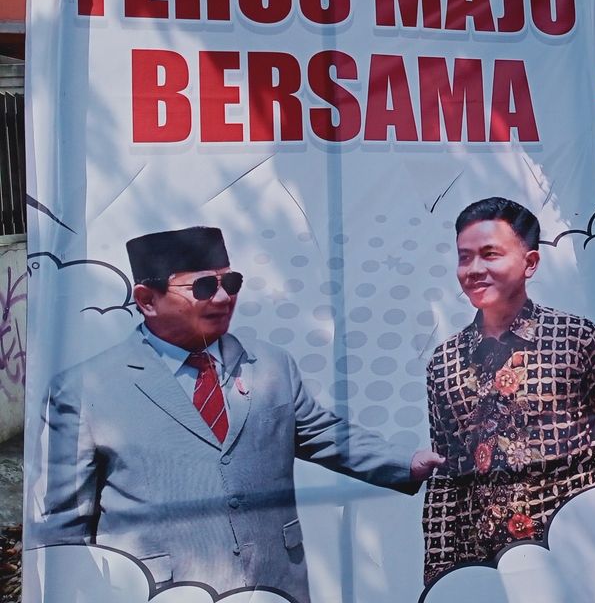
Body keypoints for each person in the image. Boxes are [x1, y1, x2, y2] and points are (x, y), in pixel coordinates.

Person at [29, 226, 444, 603]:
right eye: (205, 286)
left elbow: (320, 433)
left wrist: (405, 462)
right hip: (161, 591)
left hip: (275, 585)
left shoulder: (271, 365)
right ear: (146, 300)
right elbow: (64, 523)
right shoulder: (87, 389)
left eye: (231, 281)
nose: (225, 297)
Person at [422, 198, 595, 585]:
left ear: (529, 263)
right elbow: (446, 476)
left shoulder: (578, 340)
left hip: (573, 557)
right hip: (483, 566)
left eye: (490, 255)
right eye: (465, 258)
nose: (474, 270)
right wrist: (439, 574)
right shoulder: (444, 361)